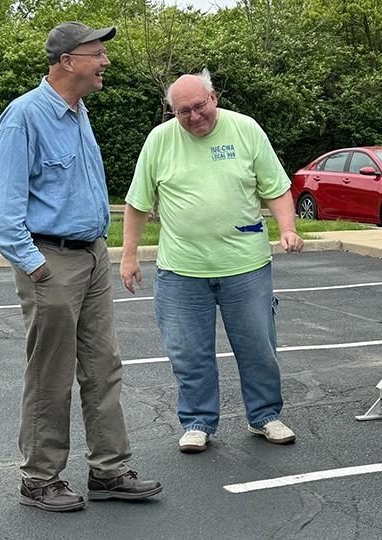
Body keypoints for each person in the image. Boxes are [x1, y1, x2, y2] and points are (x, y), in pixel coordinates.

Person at [0, 21, 161, 512]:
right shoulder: (24, 117)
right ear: (67, 61)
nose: (105, 62)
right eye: (96, 54)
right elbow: (2, 210)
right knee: (51, 375)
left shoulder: (78, 112)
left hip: (91, 255)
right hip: (51, 260)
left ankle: (109, 470)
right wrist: (37, 268)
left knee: (104, 367)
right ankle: (40, 480)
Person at [120, 69, 304, 454]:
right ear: (172, 112)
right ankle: (198, 422)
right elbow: (138, 203)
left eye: (199, 106)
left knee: (258, 347)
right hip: (181, 271)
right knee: (188, 353)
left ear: (214, 98)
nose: (193, 117)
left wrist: (286, 229)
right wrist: (129, 256)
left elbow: (277, 188)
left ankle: (265, 416)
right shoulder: (159, 140)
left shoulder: (246, 130)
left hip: (246, 266)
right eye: (182, 111)